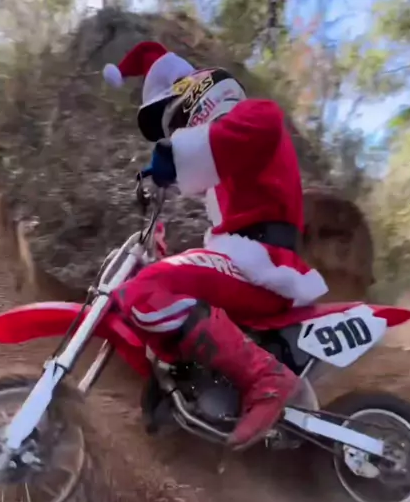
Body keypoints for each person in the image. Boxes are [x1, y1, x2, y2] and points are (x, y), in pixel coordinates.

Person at [103, 41, 328, 450]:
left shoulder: (258, 115)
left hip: (264, 261)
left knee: (145, 290)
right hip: (244, 260)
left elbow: (227, 140)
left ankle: (266, 376)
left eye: (179, 118)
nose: (177, 132)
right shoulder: (223, 172)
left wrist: (173, 156)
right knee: (161, 282)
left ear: (201, 96)